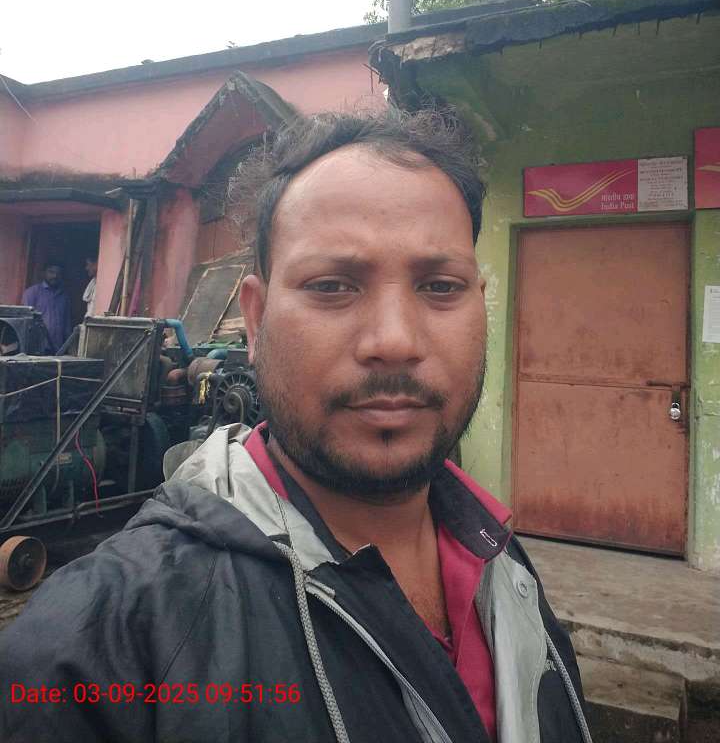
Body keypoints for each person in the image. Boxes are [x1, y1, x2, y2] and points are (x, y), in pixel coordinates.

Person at [0, 109, 591, 743]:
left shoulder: (504, 564)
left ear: (480, 305)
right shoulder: (99, 649)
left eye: (440, 286)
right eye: (333, 286)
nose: (395, 340)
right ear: (256, 322)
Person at [20, 262, 72, 354]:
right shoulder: (32, 293)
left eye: (58, 273)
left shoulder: (64, 296)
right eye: (51, 272)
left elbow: (67, 324)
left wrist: (68, 346)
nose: (55, 276)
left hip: (58, 348)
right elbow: (25, 321)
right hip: (37, 348)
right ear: (43, 273)